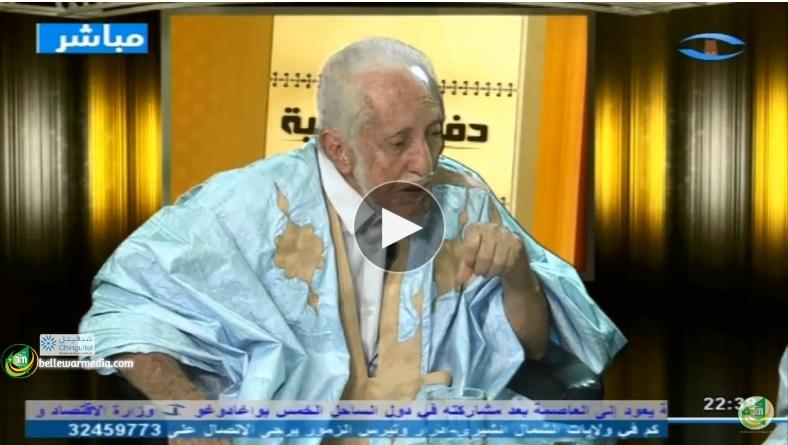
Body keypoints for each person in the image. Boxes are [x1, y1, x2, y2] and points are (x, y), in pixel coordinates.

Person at [79, 37, 626, 443]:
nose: (425, 162)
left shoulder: (464, 195)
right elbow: (122, 315)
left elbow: (535, 348)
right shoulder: (244, 205)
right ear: (338, 149)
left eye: (436, 133)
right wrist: (193, 418)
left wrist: (517, 274)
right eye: (399, 142)